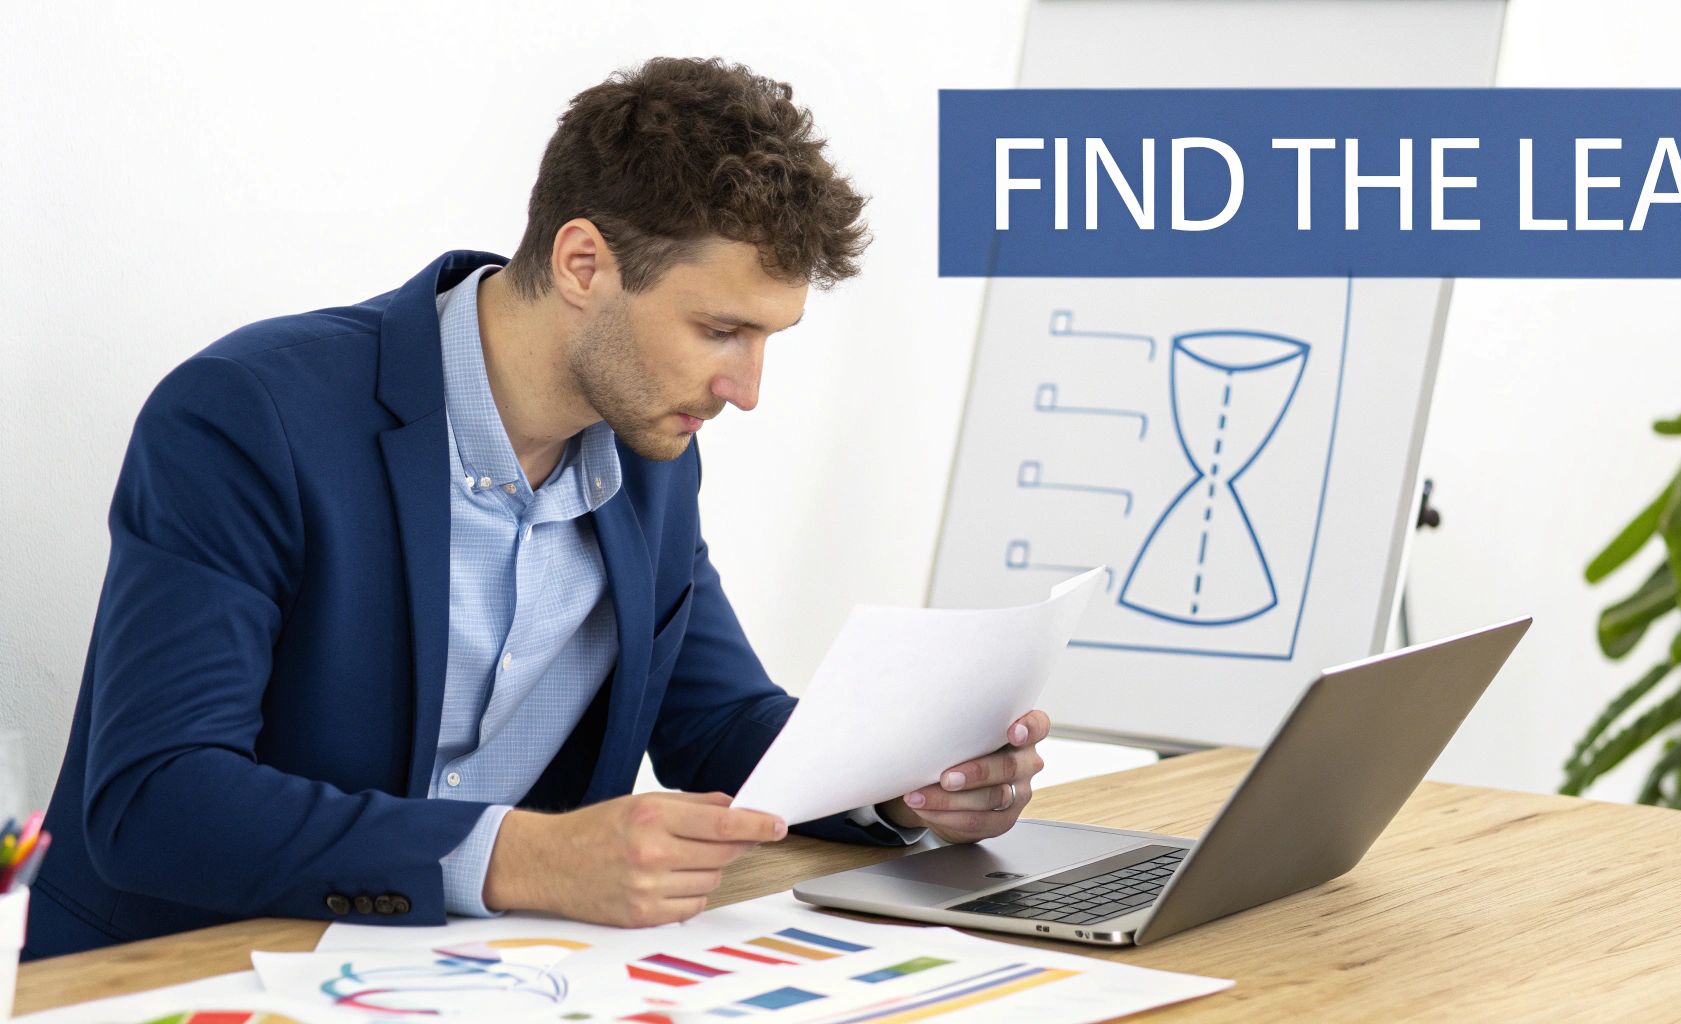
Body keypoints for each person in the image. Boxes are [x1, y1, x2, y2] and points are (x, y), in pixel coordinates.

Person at [26, 57, 1047, 959]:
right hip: (187, 969)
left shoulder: (650, 449)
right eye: (718, 329)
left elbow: (717, 719)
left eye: (766, 338)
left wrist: (904, 784)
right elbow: (155, 797)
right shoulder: (250, 417)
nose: (746, 389)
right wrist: (524, 855)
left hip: (476, 974)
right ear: (582, 263)